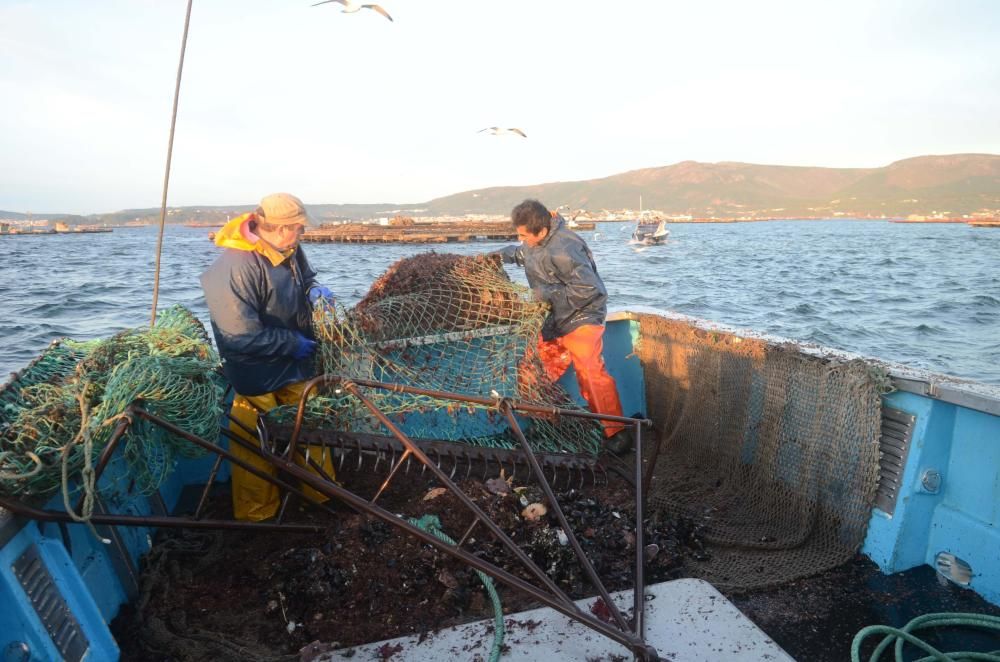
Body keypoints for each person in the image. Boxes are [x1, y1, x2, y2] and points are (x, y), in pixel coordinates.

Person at [201, 192, 336, 521]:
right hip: (256, 374)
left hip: (295, 364)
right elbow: (240, 335)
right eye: (298, 229)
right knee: (254, 443)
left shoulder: (289, 250)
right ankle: (257, 514)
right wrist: (292, 343)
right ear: (280, 228)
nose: (301, 235)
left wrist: (312, 290)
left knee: (310, 428)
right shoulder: (233, 268)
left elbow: (303, 279)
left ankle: (322, 497)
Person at [497, 199, 632, 454]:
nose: (521, 238)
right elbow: (523, 253)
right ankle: (540, 425)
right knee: (532, 369)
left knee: (589, 372)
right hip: (555, 317)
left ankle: (617, 433)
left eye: (524, 234)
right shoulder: (534, 243)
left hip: (582, 317)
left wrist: (545, 297)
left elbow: (589, 289)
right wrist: (499, 256)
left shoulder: (565, 247)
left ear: (542, 230)